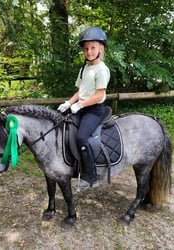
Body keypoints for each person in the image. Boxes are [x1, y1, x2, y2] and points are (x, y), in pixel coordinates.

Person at [58, 26, 110, 189]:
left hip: (94, 111)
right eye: (86, 48)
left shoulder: (102, 69)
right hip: (80, 108)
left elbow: (99, 95)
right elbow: (81, 91)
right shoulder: (84, 68)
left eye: (92, 47)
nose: (89, 51)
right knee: (64, 127)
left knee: (81, 138)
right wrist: (69, 102)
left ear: (100, 48)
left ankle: (91, 176)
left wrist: (80, 104)